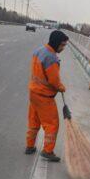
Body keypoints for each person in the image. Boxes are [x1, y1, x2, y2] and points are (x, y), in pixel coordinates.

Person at [25, 30, 69, 162]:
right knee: (52, 124)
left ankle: (30, 146)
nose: (63, 48)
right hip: (44, 97)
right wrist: (61, 87)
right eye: (62, 45)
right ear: (56, 43)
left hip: (33, 93)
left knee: (34, 120)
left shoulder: (39, 51)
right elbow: (54, 81)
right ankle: (48, 151)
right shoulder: (51, 58)